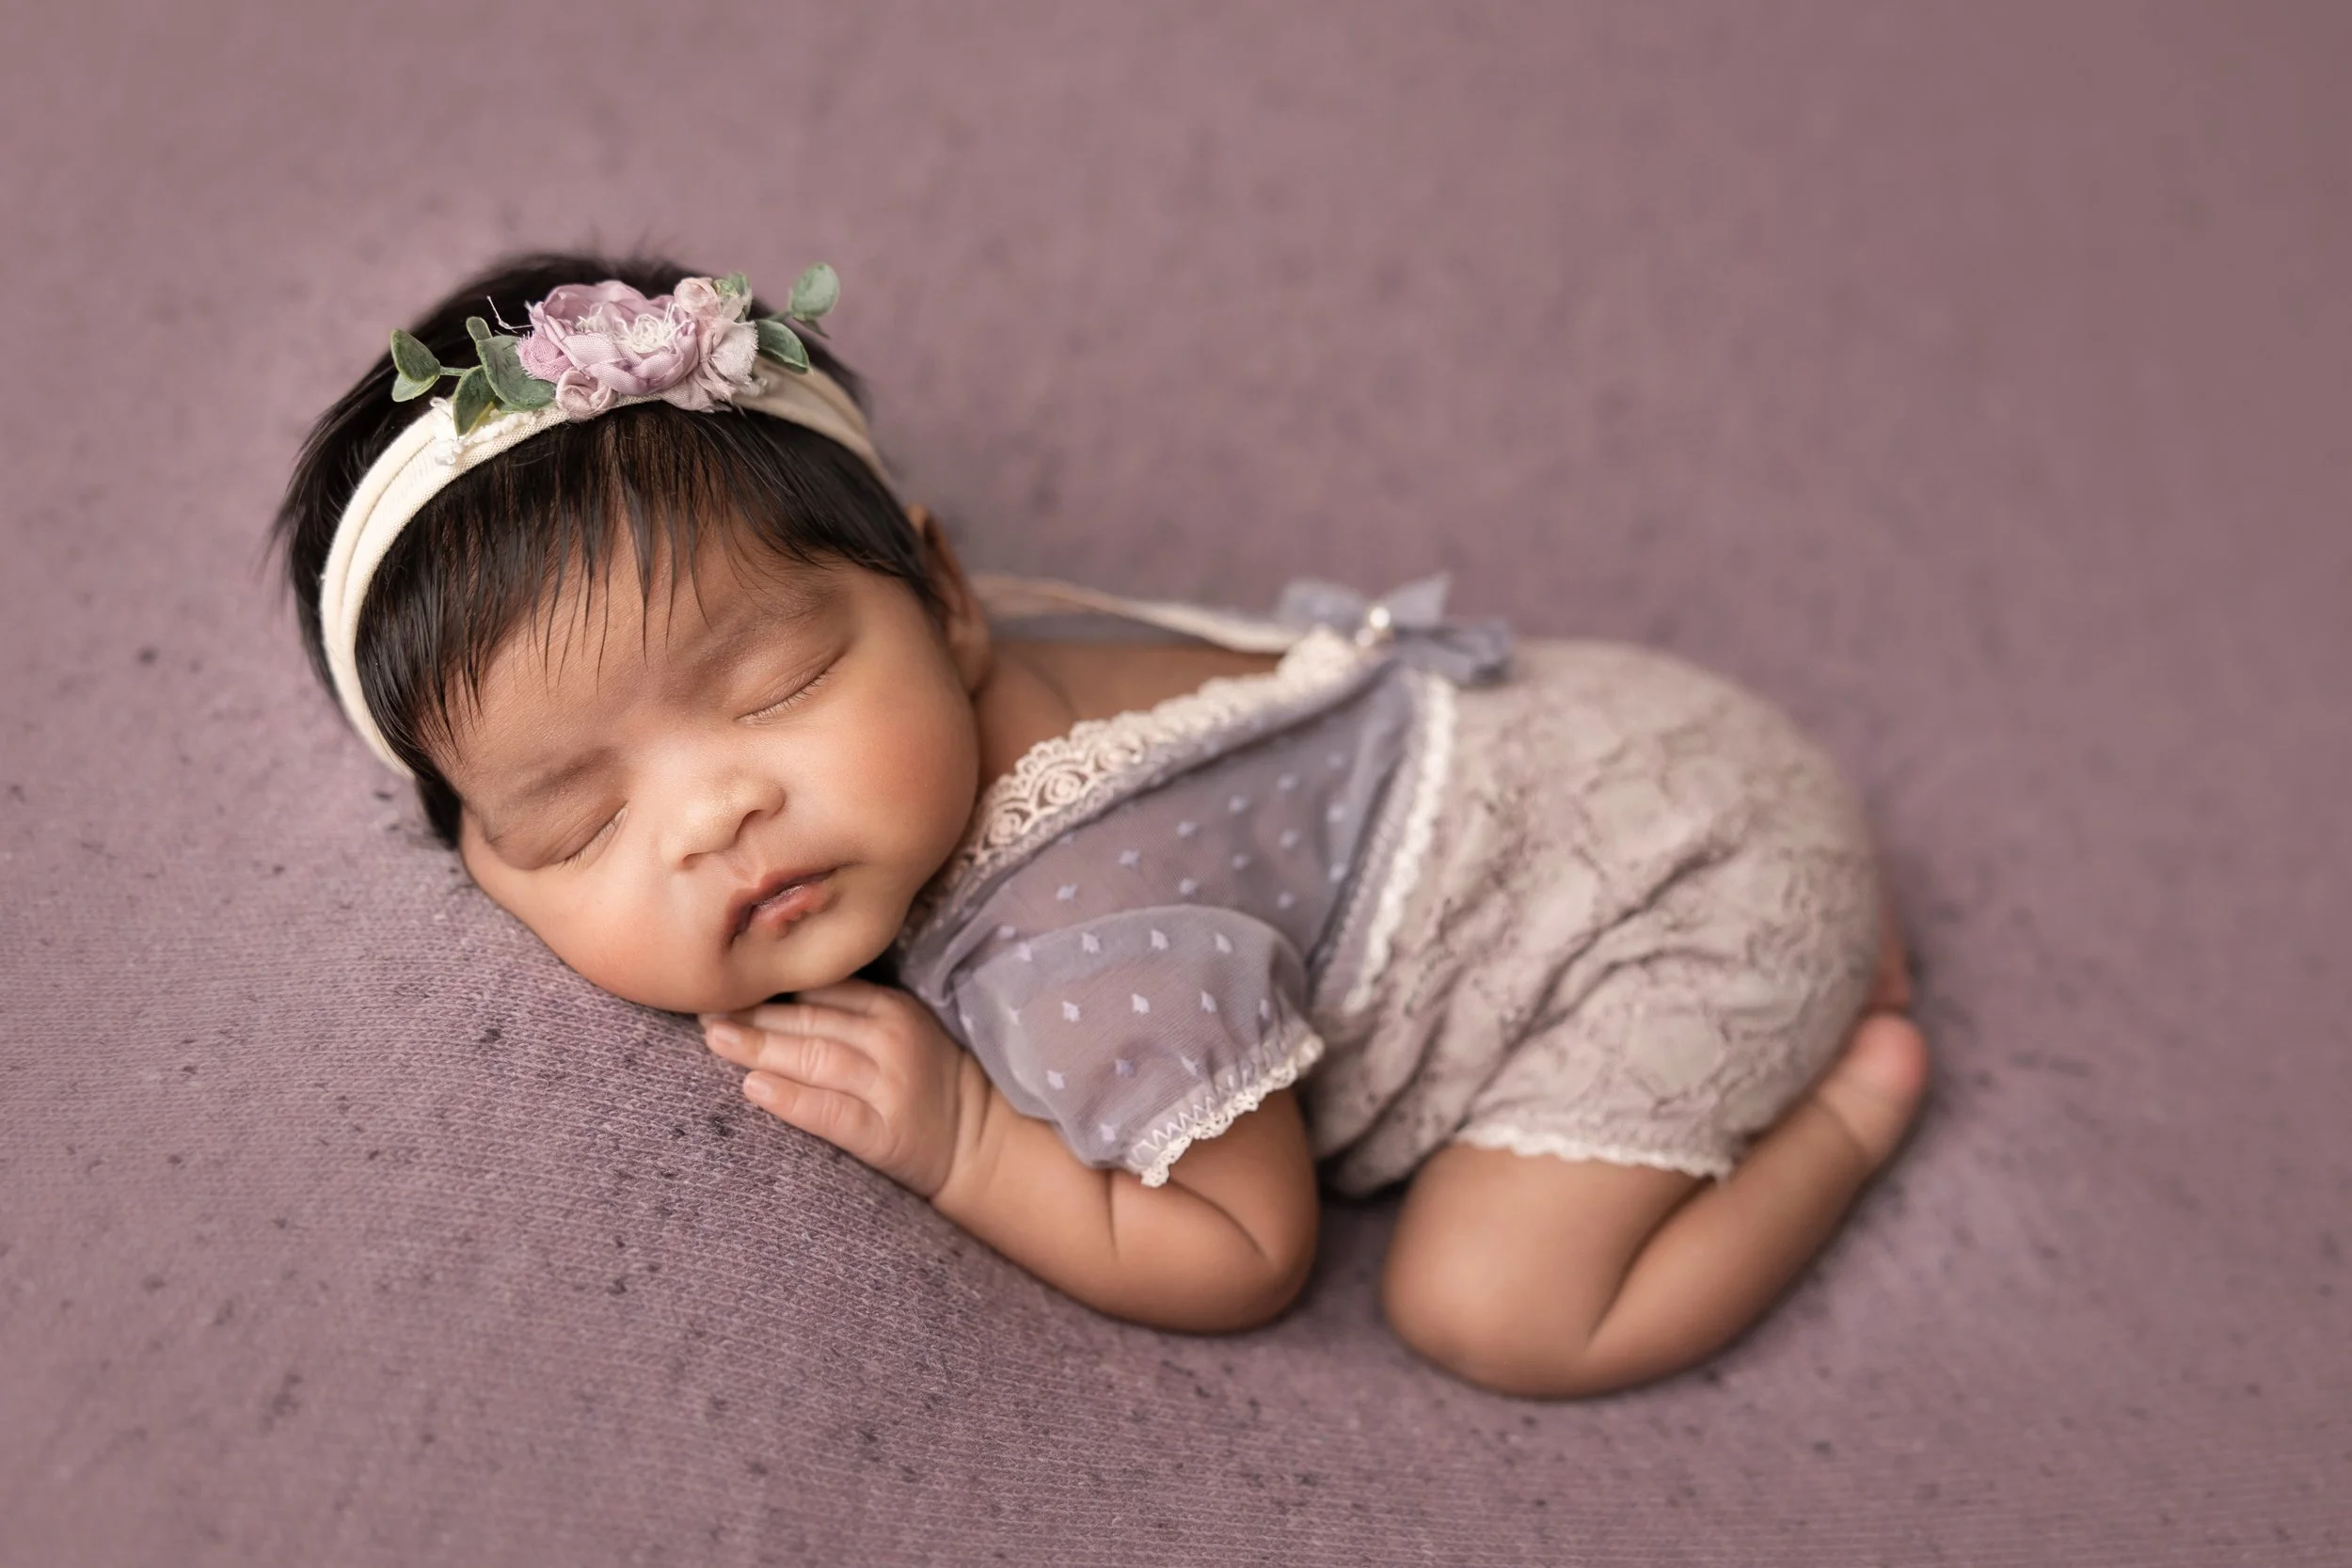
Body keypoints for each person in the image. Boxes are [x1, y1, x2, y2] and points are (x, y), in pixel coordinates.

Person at [274, 251, 1931, 1399]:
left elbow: (1246, 1245)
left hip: (1685, 891)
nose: (716, 811)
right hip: (1609, 730)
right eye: (576, 820)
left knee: (1491, 1306)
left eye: (778, 686)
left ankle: (1852, 1095)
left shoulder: (1074, 942)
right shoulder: (968, 660)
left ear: (947, 597)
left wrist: (967, 1142)